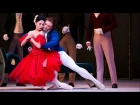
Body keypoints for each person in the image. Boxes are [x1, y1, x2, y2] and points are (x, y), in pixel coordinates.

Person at [33, 16, 105, 90]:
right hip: (50, 55)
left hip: (59, 54)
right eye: (45, 24)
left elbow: (53, 43)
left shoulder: (54, 33)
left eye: (49, 26)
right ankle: (56, 84)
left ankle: (96, 81)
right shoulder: (39, 31)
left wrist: (41, 46)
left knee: (75, 67)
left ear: (51, 27)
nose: (46, 27)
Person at [8, 15, 73, 90]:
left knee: (47, 74)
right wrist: (28, 38)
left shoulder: (41, 32)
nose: (42, 26)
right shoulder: (31, 32)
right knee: (33, 72)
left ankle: (62, 85)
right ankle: (45, 85)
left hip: (41, 54)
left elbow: (39, 46)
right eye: (40, 24)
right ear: (35, 23)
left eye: (43, 24)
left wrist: (32, 40)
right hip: (33, 55)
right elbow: (22, 44)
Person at [86, 13, 118, 88]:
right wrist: (88, 40)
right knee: (98, 60)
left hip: (106, 36)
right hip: (96, 36)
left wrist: (103, 30)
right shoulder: (92, 14)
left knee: (110, 59)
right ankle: (99, 81)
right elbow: (90, 27)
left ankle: (114, 81)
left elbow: (115, 24)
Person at [2, 13, 34, 87]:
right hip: (13, 36)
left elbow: (30, 27)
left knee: (21, 59)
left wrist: (29, 42)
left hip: (23, 37)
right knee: (8, 58)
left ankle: (20, 80)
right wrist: (5, 33)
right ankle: (4, 80)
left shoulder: (27, 15)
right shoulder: (11, 14)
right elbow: (6, 26)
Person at [53, 13, 84, 87]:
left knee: (72, 59)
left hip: (73, 37)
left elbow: (81, 27)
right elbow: (57, 23)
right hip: (62, 36)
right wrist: (62, 28)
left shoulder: (80, 14)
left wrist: (80, 41)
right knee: (61, 58)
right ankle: (60, 81)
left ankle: (71, 81)